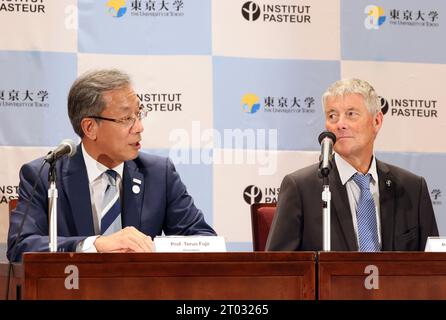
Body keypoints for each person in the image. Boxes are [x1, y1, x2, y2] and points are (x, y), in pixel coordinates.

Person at [7, 69, 216, 262]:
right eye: (126, 118)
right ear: (90, 128)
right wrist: (94, 244)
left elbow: (204, 240)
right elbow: (20, 246)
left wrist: (152, 248)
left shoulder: (158, 174)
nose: (140, 127)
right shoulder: (45, 175)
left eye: (139, 114)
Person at [266, 78, 438, 252]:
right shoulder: (301, 188)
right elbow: (277, 272)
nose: (340, 124)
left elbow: (436, 269)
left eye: (351, 114)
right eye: (332, 115)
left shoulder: (412, 188)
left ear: (376, 121)